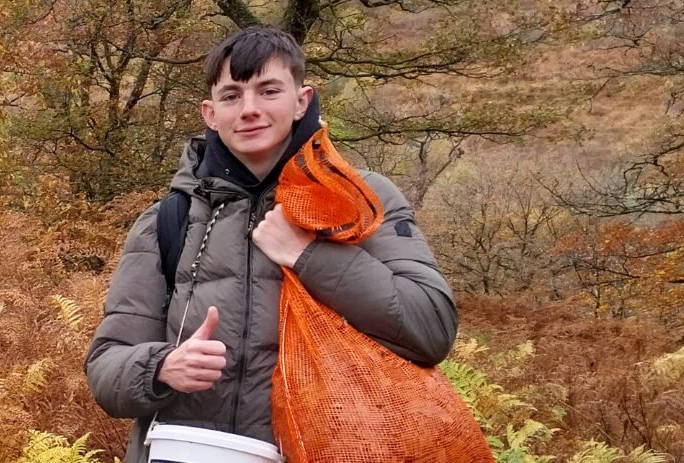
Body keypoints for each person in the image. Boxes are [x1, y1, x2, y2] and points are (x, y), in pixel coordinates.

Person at [82, 26, 459, 462]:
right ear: (210, 113)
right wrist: (161, 367)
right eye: (231, 96)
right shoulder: (168, 219)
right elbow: (106, 365)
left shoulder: (360, 201)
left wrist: (309, 254)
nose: (250, 110)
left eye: (268, 90)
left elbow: (430, 327)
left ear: (302, 100)